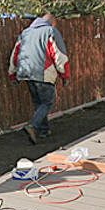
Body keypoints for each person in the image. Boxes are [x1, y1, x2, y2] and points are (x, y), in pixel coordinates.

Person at [7, 12, 70, 143]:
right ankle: (33, 126)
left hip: (26, 73)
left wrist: (13, 74)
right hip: (43, 73)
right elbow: (59, 55)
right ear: (52, 22)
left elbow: (15, 54)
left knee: (38, 103)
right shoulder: (50, 31)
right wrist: (64, 75)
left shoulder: (25, 33)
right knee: (47, 103)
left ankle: (43, 131)